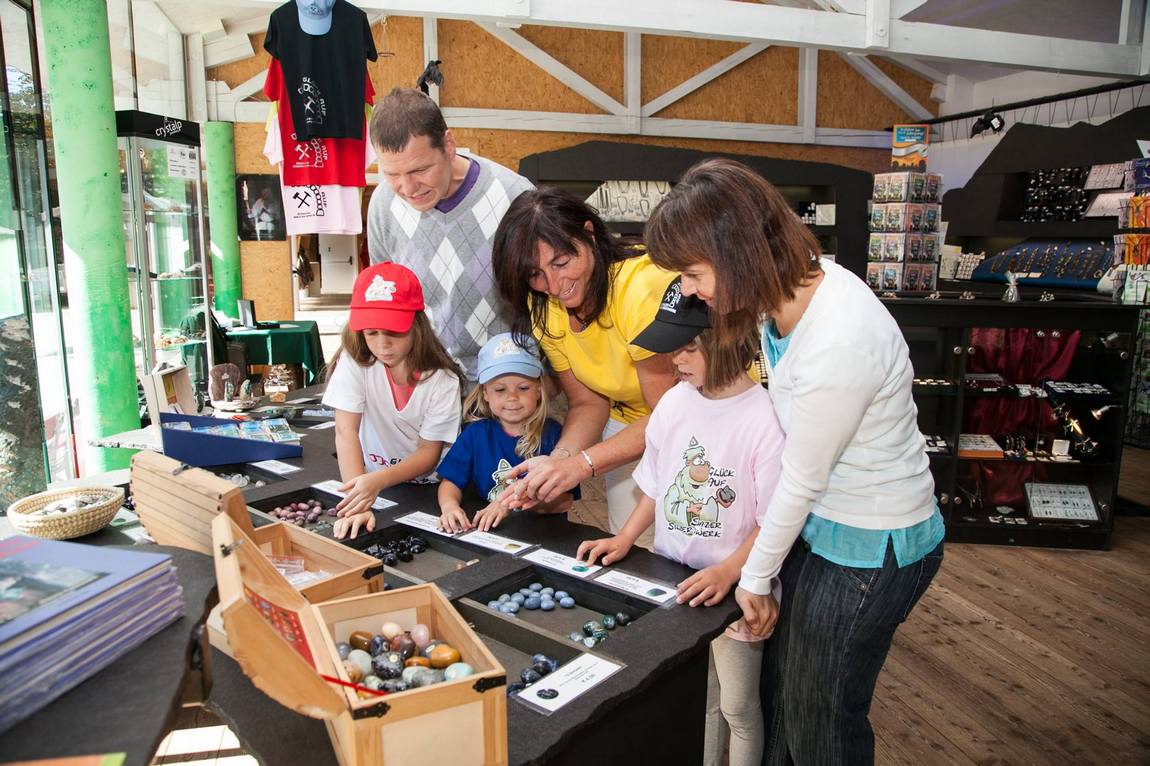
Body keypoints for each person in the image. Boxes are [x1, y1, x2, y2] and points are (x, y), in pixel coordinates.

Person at [644, 158, 945, 766]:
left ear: (738, 251)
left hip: (872, 543)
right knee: (787, 699)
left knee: (822, 715)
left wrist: (751, 576)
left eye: (696, 273)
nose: (694, 291)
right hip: (826, 529)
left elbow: (803, 477)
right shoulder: (789, 295)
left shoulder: (838, 339)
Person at [576, 278, 784, 766]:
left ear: (727, 339)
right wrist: (625, 536)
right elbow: (657, 482)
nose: (676, 361)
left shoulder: (765, 419)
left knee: (738, 705)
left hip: (734, 592)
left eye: (689, 347)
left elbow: (774, 520)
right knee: (695, 697)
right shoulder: (672, 402)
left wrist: (730, 572)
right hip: (675, 580)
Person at [490, 187, 678, 536]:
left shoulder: (640, 290)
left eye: (561, 263)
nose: (554, 284)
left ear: (589, 235)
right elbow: (588, 402)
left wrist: (583, 464)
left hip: (696, 425)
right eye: (534, 274)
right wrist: (559, 462)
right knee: (634, 550)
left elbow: (669, 416)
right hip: (630, 426)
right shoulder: (544, 306)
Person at [366, 87, 534, 381]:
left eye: (420, 170)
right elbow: (385, 302)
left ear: (449, 144)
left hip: (504, 389)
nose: (407, 188)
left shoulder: (514, 197)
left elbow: (544, 305)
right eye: (392, 174)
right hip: (425, 386)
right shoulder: (383, 204)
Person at [322, 261, 463, 540]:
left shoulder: (443, 380)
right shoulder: (356, 363)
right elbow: (345, 430)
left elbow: (428, 453)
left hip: (424, 485)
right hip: (371, 479)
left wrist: (375, 482)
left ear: (417, 326)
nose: (382, 344)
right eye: (371, 332)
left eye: (393, 332)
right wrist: (356, 501)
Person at [436, 333, 577, 534]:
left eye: (523, 388)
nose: (512, 397)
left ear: (539, 390)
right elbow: (450, 481)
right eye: (500, 389)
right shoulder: (475, 434)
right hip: (491, 531)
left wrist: (511, 503)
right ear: (485, 393)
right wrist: (449, 507)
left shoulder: (555, 437)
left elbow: (564, 501)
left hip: (543, 534)